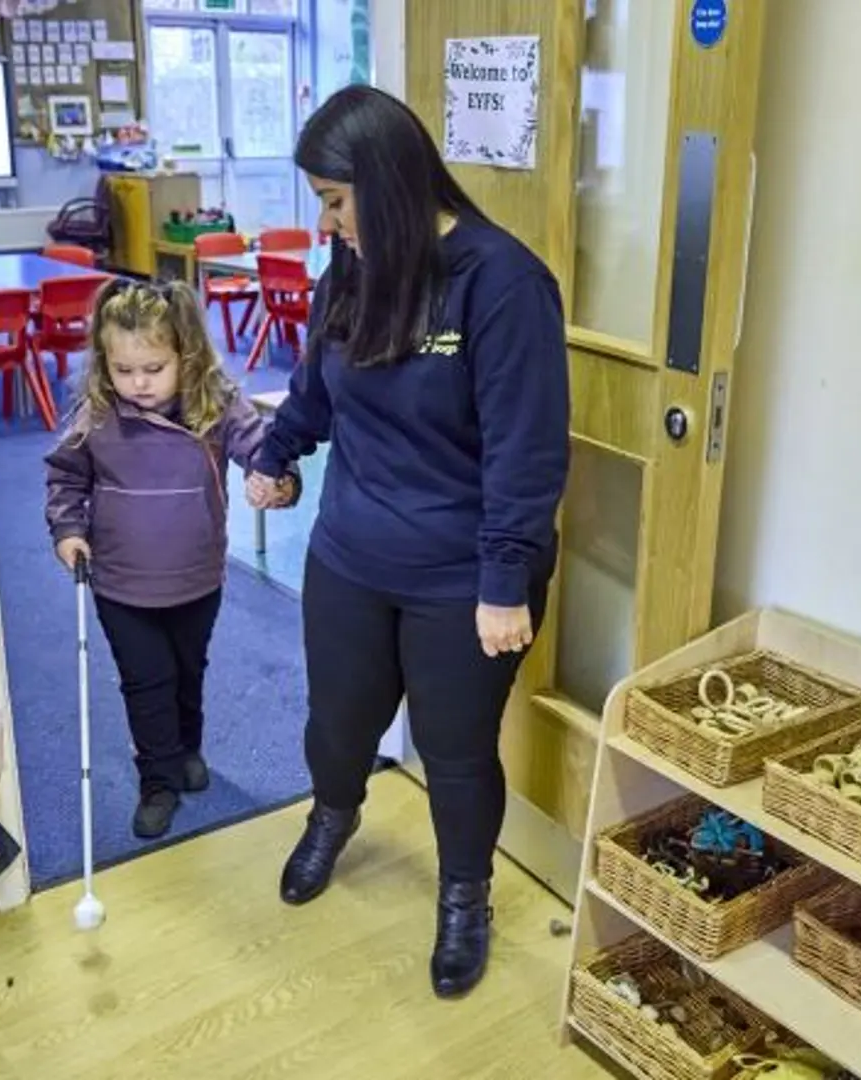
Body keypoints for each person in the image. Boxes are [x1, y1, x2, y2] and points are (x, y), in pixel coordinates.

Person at [246, 85, 569, 999]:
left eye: (335, 201)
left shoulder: (501, 283)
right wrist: (277, 453)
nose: (326, 223)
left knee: (456, 750)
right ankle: (332, 815)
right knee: (338, 723)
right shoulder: (353, 271)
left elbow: (528, 448)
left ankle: (465, 897)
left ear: (384, 187)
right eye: (320, 201)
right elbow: (316, 388)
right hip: (351, 553)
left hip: (464, 577)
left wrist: (505, 578)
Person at [46, 278, 296, 839]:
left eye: (154, 369)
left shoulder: (217, 403)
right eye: (123, 370)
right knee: (146, 680)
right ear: (104, 363)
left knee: (188, 670)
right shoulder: (98, 414)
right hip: (120, 582)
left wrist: (277, 479)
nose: (138, 384)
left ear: (186, 354)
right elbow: (65, 477)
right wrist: (68, 530)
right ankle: (156, 780)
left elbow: (262, 449)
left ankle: (186, 749)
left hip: (197, 576)